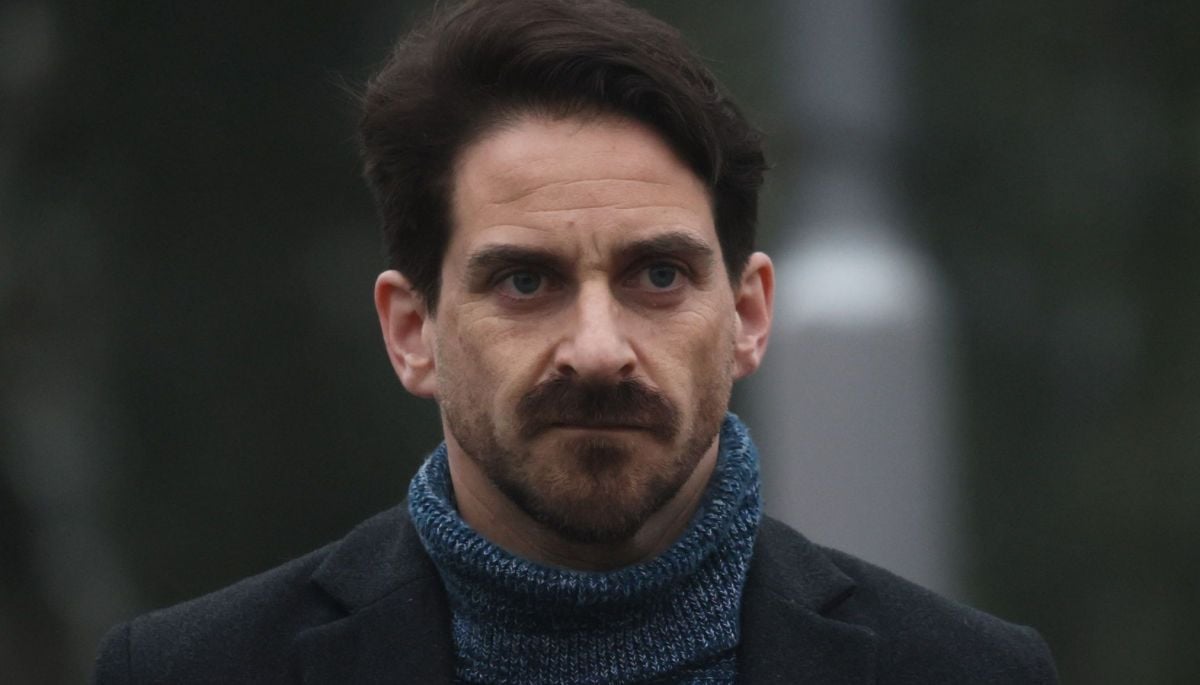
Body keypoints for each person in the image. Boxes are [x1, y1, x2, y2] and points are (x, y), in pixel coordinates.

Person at [92, 0, 1058, 682]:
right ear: (411, 331)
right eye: (525, 280)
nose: (598, 350)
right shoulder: (189, 671)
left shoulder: (969, 672)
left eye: (659, 275)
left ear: (749, 316)